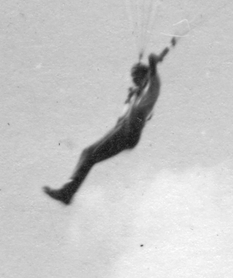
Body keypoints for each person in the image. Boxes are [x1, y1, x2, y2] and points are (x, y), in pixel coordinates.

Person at [44, 45, 171, 204]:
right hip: (125, 128)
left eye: (137, 78)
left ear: (144, 75)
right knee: (87, 154)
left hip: (130, 128)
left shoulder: (153, 83)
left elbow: (152, 60)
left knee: (91, 153)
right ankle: (68, 192)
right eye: (134, 80)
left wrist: (154, 60)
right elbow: (122, 117)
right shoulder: (140, 94)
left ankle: (68, 192)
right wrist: (129, 100)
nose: (135, 82)